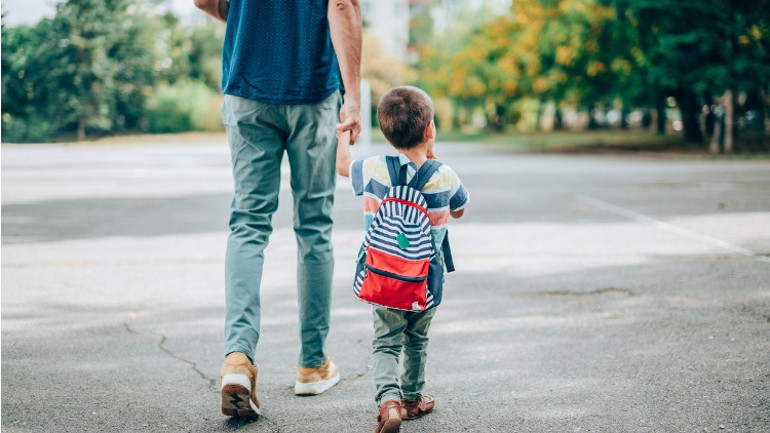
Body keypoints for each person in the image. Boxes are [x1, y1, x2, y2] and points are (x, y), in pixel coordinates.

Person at [193, 0, 363, 418]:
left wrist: (251, 21)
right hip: (313, 89)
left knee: (248, 223)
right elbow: (341, 5)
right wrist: (354, 95)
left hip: (247, 85)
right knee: (314, 226)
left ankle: (238, 359)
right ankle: (312, 364)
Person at [336, 86, 469, 433]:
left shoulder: (373, 169)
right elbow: (459, 209)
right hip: (425, 280)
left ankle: (389, 401)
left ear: (385, 132)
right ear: (429, 130)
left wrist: (343, 135)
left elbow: (341, 167)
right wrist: (432, 158)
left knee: (385, 341)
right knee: (416, 340)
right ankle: (412, 398)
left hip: (382, 277)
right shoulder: (445, 175)